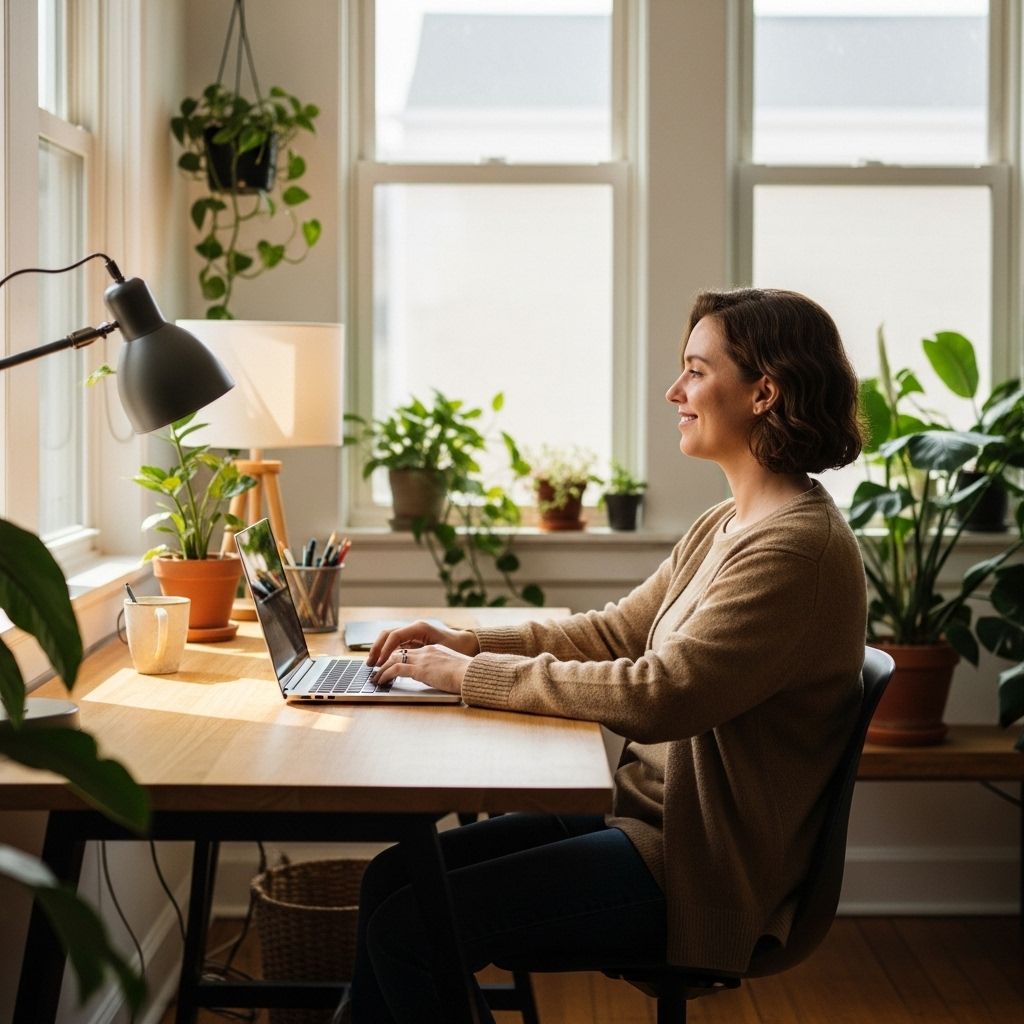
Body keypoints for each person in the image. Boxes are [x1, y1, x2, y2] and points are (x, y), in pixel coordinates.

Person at [346, 287, 867, 1023]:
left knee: (413, 926)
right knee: (394, 881)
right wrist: (468, 641)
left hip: (694, 867)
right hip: (643, 820)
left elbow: (661, 696)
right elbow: (617, 632)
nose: (674, 391)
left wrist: (470, 678)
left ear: (764, 392)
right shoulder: (730, 521)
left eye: (694, 370)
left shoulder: (795, 551)